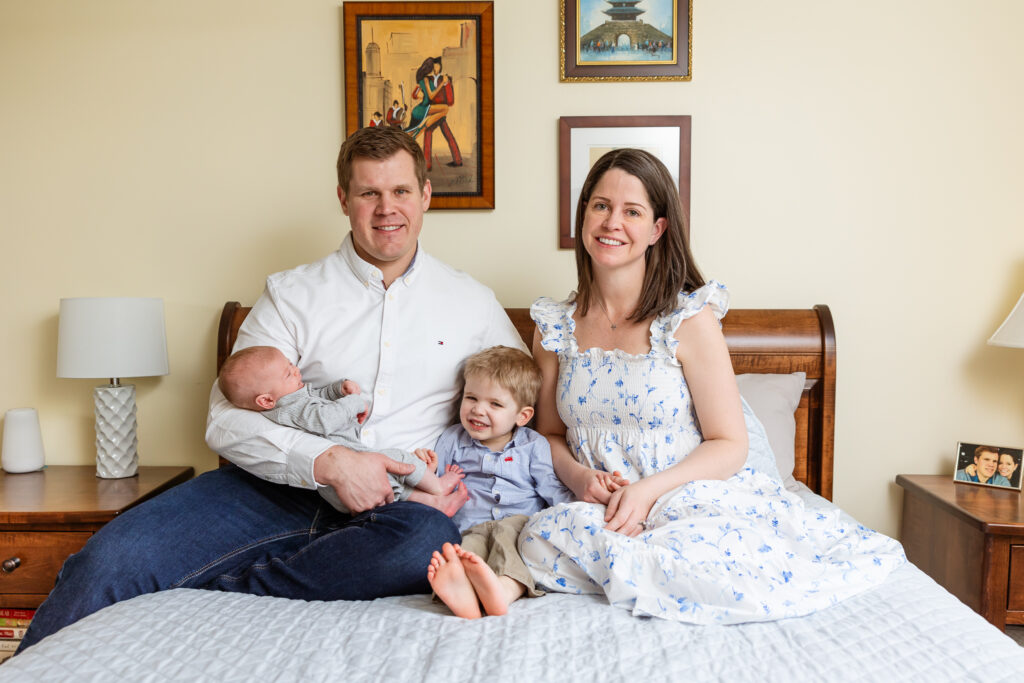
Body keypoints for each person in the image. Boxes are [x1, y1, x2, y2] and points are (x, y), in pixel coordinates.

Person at [16, 126, 525, 653]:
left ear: (425, 195)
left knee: (427, 543)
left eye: (400, 192)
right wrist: (329, 461)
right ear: (343, 200)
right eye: (368, 193)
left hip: (399, 508)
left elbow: (522, 405)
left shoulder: (473, 303)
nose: (386, 209)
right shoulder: (292, 293)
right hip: (269, 492)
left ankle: (225, 590)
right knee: (109, 559)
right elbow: (224, 418)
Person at [518, 148, 905, 624]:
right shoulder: (554, 326)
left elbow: (729, 444)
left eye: (632, 211)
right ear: (583, 216)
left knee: (702, 557)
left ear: (657, 229)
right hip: (599, 507)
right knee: (538, 538)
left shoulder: (688, 320)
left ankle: (659, 571)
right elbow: (549, 436)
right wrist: (579, 478)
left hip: (686, 497)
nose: (611, 221)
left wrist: (647, 493)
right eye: (600, 206)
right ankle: (637, 565)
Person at [217, 345, 469, 516]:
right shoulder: (288, 409)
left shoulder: (291, 398)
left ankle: (435, 503)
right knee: (401, 459)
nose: (296, 371)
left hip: (348, 480)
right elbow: (324, 418)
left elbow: (317, 397)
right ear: (266, 401)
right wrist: (354, 403)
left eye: (291, 365)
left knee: (397, 488)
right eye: (287, 373)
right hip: (349, 475)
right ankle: (437, 487)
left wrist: (338, 390)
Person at [422, 346, 574, 618]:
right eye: (471, 398)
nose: (478, 410)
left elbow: (550, 488)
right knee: (464, 551)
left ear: (522, 416)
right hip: (470, 525)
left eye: (495, 404)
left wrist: (576, 513)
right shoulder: (453, 440)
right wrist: (428, 470)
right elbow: (436, 487)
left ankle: (503, 589)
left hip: (519, 525)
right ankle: (463, 591)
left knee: (510, 544)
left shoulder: (532, 444)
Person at [404, 56, 462, 170]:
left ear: (440, 67)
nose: (436, 68)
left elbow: (450, 100)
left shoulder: (445, 79)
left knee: (446, 134)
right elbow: (416, 94)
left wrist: (446, 84)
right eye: (434, 66)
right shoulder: (427, 79)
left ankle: (457, 160)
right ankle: (428, 164)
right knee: (429, 133)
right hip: (431, 111)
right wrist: (421, 95)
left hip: (437, 112)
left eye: (437, 65)